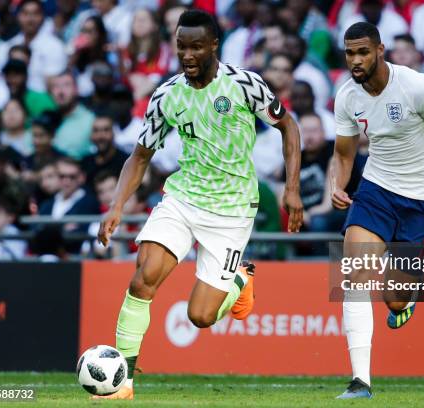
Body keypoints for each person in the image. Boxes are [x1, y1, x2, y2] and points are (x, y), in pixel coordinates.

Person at [94, 10, 303, 400]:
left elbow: (288, 126)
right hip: (183, 198)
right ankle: (122, 381)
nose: (187, 54)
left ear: (213, 46)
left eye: (195, 46)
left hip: (232, 210)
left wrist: (292, 189)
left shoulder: (245, 85)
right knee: (143, 278)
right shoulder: (167, 94)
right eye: (180, 46)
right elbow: (140, 156)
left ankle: (241, 279)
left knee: (201, 317)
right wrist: (116, 206)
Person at [331, 22, 424, 399]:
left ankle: (409, 296)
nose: (356, 59)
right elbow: (345, 151)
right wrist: (339, 183)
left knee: (395, 299)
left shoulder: (415, 86)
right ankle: (360, 381)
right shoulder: (347, 96)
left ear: (381, 50)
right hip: (377, 190)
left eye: (363, 52)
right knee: (355, 276)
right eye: (350, 53)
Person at [80, 113, 129, 189]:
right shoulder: (85, 163)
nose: (100, 136)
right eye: (96, 131)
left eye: (106, 130)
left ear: (114, 133)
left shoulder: (126, 162)